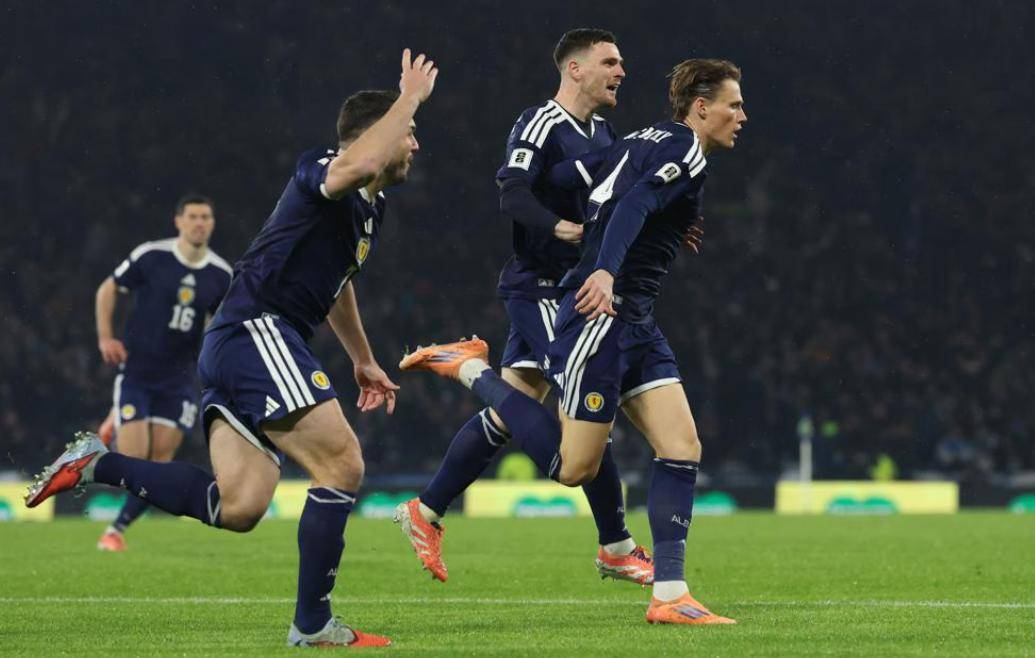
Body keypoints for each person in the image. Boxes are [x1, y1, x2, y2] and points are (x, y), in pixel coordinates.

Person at [26, 49, 439, 648]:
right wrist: (408, 98)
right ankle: (313, 625)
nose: (415, 144)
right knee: (343, 464)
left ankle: (96, 464)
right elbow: (361, 161)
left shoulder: (370, 211)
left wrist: (361, 358)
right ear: (376, 133)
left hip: (238, 343)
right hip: (257, 330)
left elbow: (339, 285)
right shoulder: (323, 166)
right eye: (409, 133)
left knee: (239, 506)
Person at [400, 58, 745, 626]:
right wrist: (604, 269)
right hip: (600, 315)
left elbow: (590, 188)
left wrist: (671, 219)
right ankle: (469, 370)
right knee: (573, 467)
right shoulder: (683, 148)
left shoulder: (641, 138)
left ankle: (670, 594)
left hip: (636, 320)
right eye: (734, 104)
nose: (742, 115)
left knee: (682, 446)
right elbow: (632, 203)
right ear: (702, 107)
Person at [392, 28, 654, 586]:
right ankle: (615, 544)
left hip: (573, 287)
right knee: (586, 409)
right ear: (575, 69)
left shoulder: (604, 133)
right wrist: (562, 227)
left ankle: (426, 510)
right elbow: (511, 192)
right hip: (544, 288)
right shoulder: (540, 123)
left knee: (509, 411)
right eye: (610, 61)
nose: (621, 71)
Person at [93, 195, 232, 551]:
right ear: (178, 221)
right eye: (193, 216)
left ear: (212, 223)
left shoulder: (221, 274)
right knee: (134, 460)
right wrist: (106, 337)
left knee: (159, 464)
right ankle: (115, 419)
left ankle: (115, 530)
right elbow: (108, 288)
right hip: (138, 373)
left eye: (205, 217)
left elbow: (217, 327)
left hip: (180, 379)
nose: (199, 223)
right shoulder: (152, 256)